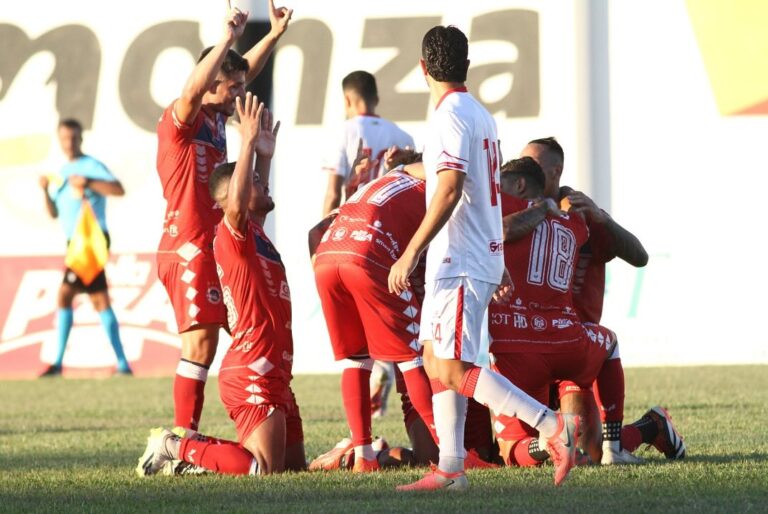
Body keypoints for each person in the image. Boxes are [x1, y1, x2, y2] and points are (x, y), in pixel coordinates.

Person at [388, 26, 579, 491]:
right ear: (466, 67)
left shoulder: (451, 116)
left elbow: (452, 189)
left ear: (422, 68)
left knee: (451, 367)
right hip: (471, 255)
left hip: (461, 258)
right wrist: (500, 260)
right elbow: (485, 196)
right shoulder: (478, 114)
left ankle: (552, 425)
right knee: (437, 359)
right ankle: (452, 468)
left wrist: (410, 251)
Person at [137, 93, 305, 477]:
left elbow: (247, 199)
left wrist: (263, 154)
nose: (263, 184)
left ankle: (193, 464)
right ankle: (176, 444)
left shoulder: (255, 237)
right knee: (261, 471)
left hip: (276, 373)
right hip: (252, 369)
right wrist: (245, 144)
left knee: (294, 470)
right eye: (256, 181)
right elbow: (237, 203)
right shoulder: (230, 235)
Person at [155, 2, 292, 434]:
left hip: (214, 243)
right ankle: (181, 439)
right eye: (230, 88)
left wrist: (271, 36)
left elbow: (237, 73)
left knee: (248, 330)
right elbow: (194, 90)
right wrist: (228, 37)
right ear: (211, 84)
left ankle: (260, 417)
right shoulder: (183, 119)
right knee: (200, 343)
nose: (238, 94)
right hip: (188, 244)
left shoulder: (215, 118)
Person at [521, 137, 685, 463]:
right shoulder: (519, 213)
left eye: (534, 165)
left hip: (572, 347)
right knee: (508, 449)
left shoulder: (581, 212)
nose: (526, 173)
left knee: (585, 452)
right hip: (529, 342)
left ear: (556, 171)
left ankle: (652, 426)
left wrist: (602, 219)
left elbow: (639, 256)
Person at [38, 118, 131, 376]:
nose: (70, 143)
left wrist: (88, 182)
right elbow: (54, 212)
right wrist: (45, 191)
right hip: (75, 243)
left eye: (74, 138)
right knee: (98, 299)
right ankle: (123, 363)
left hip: (91, 240)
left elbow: (118, 189)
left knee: (66, 295)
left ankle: (57, 363)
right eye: (65, 138)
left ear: (81, 138)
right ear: (60, 140)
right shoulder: (61, 171)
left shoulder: (91, 166)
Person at [321, 70, 414, 216]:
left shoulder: (342, 132)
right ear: (376, 99)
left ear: (347, 100)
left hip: (354, 223)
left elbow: (333, 194)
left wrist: (323, 234)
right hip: (387, 224)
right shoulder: (404, 137)